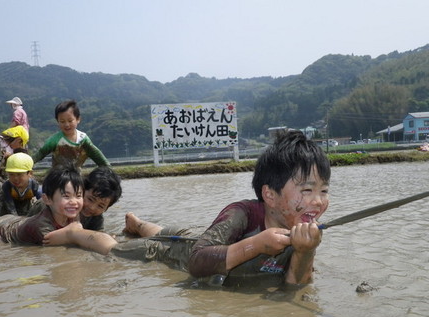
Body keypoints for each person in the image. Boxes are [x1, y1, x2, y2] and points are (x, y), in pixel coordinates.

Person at [98, 130, 331, 286]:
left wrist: (306, 250)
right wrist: (257, 244)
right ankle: (78, 233)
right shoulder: (243, 213)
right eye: (307, 190)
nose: (318, 201)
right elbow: (197, 262)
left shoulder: (303, 229)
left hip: (199, 236)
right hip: (183, 251)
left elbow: (296, 285)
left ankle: (137, 223)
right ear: (269, 195)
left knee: (169, 232)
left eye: (324, 191)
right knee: (116, 247)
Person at [0, 163, 117, 255]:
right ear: (47, 199)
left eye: (78, 196)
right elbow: (65, 242)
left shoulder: (71, 210)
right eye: (66, 196)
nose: (75, 202)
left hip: (15, 222)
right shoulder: (44, 218)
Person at [27, 166, 122, 231]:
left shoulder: (96, 218)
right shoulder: (49, 206)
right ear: (82, 189)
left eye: (101, 206)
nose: (92, 207)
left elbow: (98, 234)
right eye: (90, 199)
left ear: (106, 209)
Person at [31, 100, 110, 168]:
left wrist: (109, 169)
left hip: (76, 176)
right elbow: (40, 154)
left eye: (70, 121)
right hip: (58, 177)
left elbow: (96, 155)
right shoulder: (54, 140)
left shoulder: (83, 139)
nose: (66, 125)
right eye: (62, 121)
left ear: (78, 119)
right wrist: (27, 165)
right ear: (57, 121)